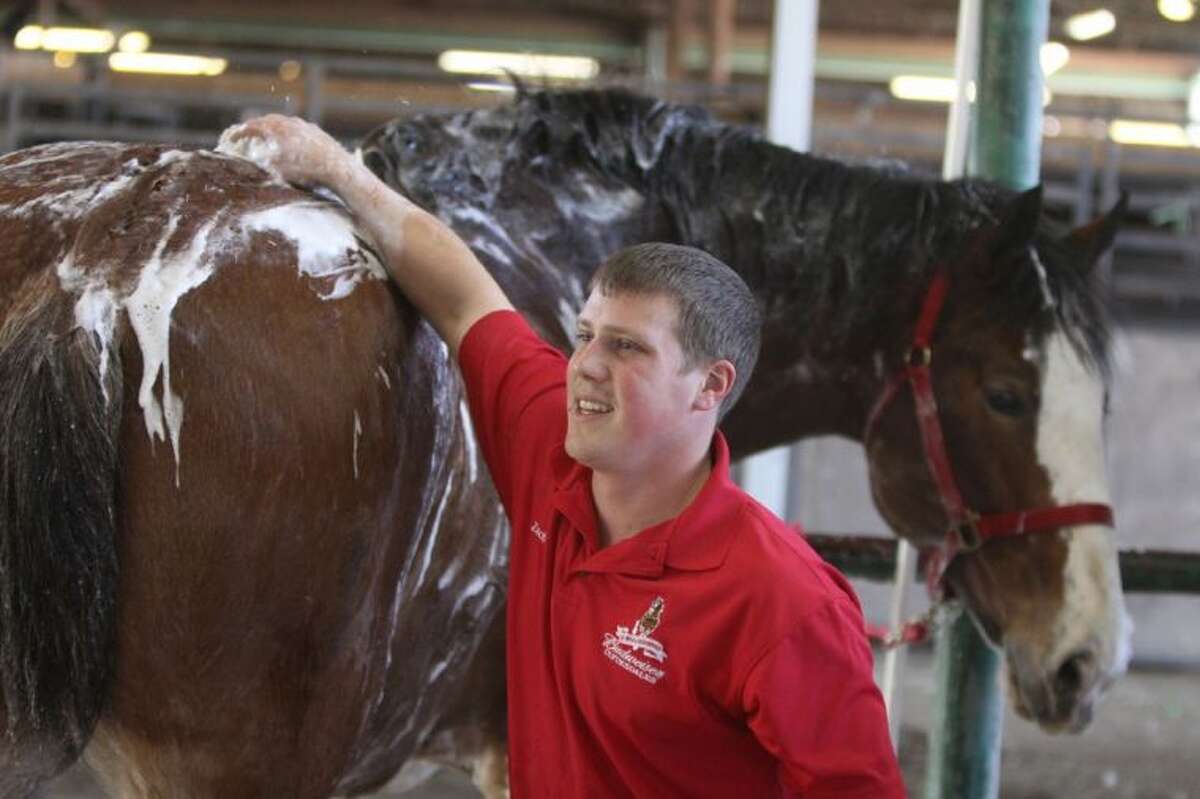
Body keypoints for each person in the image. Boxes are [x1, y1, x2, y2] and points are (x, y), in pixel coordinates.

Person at [223, 115, 906, 798]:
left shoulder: (782, 601)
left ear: (711, 384)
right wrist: (338, 169)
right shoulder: (550, 453)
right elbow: (466, 300)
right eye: (586, 335)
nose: (587, 366)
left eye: (628, 347)